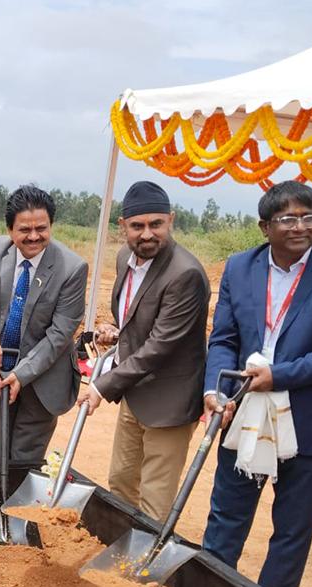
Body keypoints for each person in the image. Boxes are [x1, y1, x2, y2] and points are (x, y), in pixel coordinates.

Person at [202, 180, 312, 587]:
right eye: (288, 218)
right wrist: (215, 389)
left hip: (311, 420)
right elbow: (223, 338)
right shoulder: (240, 268)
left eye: (309, 217)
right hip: (244, 412)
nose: (300, 226)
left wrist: (280, 375)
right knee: (227, 515)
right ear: (265, 227)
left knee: (292, 530)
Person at [76, 181, 210, 521]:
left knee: (154, 497)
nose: (147, 234)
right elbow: (139, 319)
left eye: (156, 224)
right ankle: (119, 548)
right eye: (137, 226)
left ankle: (144, 568)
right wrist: (118, 332)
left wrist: (100, 386)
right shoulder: (125, 259)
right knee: (121, 480)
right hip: (136, 390)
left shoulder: (186, 274)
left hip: (169, 400)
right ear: (123, 227)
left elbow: (160, 346)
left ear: (171, 220)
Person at [0, 185, 88, 463]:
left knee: (23, 458)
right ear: (10, 230)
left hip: (44, 376)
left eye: (41, 228)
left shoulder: (72, 268)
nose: (33, 237)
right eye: (24, 230)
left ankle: (14, 506)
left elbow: (60, 334)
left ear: (51, 225)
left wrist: (23, 373)